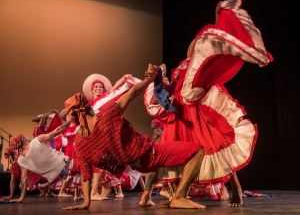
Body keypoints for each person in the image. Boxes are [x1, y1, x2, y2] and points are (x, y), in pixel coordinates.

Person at [142, 0, 273, 207]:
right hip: (179, 115)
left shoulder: (200, 68)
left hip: (198, 112)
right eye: (193, 46)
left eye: (198, 46)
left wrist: (218, 17)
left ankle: (236, 188)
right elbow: (171, 89)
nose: (195, 48)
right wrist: (158, 80)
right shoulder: (180, 68)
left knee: (215, 145)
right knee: (175, 151)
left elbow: (214, 49)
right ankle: (177, 195)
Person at [61, 64, 206, 210]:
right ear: (88, 107)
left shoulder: (80, 142)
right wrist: (149, 79)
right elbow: (132, 93)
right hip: (149, 152)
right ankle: (179, 197)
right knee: (197, 150)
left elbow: (86, 173)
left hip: (138, 163)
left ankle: (146, 197)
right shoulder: (106, 115)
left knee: (162, 163)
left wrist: (86, 202)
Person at [82, 73, 139, 200]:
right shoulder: (89, 105)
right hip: (94, 135)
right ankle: (94, 193)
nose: (98, 89)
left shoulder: (106, 98)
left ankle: (99, 192)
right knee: (98, 162)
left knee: (104, 163)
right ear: (92, 90)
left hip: (104, 134)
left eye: (100, 87)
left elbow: (114, 88)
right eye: (96, 87)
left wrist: (124, 78)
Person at [8, 121, 72, 203]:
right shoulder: (37, 141)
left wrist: (21, 198)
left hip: (55, 175)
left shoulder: (21, 159)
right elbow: (56, 131)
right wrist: (69, 122)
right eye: (24, 136)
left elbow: (24, 178)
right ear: (23, 139)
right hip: (66, 165)